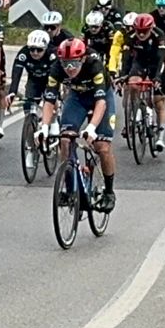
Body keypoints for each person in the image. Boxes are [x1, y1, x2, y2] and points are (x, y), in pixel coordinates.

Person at [50, 38, 119, 213]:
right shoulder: (56, 67)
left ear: (82, 58)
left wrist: (91, 128)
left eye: (74, 63)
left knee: (102, 147)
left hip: (100, 97)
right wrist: (43, 128)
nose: (69, 68)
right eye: (65, 63)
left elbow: (101, 102)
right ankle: (69, 188)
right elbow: (49, 99)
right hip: (77, 97)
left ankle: (109, 192)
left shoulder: (94, 64)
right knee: (65, 140)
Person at [110, 13, 165, 155]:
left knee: (158, 101)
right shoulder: (130, 36)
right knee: (132, 83)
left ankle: (160, 136)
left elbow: (161, 59)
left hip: (157, 63)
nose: (141, 34)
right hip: (140, 62)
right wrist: (123, 76)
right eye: (139, 31)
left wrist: (157, 78)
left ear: (151, 28)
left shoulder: (159, 34)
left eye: (145, 31)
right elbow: (126, 59)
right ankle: (136, 109)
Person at [10, 28, 60, 143]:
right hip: (34, 80)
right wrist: (12, 91)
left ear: (46, 48)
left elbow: (57, 76)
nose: (35, 53)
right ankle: (30, 143)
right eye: (32, 49)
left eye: (39, 50)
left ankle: (54, 121)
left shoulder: (52, 54)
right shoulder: (23, 53)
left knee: (51, 99)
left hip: (50, 80)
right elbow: (16, 73)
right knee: (28, 106)